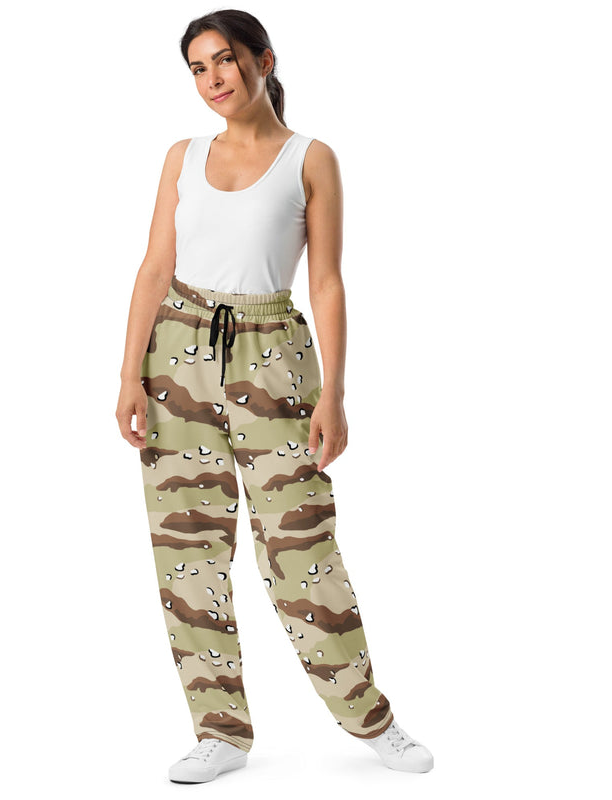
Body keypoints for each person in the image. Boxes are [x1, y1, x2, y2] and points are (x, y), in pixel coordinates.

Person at [116, 9, 434, 784]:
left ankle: (370, 717)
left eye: (223, 60)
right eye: (197, 69)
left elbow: (326, 281)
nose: (212, 80)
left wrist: (336, 393)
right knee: (188, 551)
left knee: (303, 545)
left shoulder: (310, 159)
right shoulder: (182, 156)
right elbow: (154, 266)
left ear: (263, 59)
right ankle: (219, 730)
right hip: (177, 351)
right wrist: (128, 374)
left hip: (274, 359)